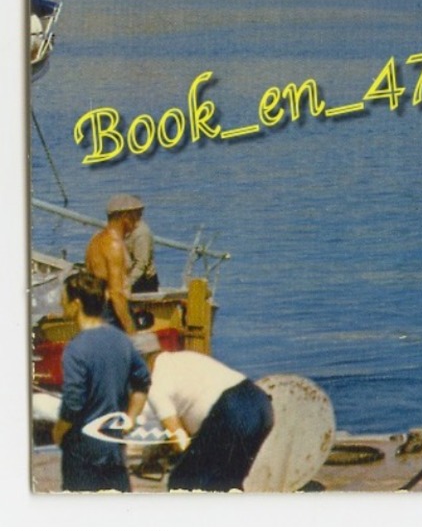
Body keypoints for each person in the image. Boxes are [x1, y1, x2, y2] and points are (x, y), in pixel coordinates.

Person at [53, 272, 150, 492]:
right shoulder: (121, 340)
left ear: (76, 304)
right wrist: (130, 419)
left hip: (82, 449)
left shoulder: (76, 349)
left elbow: (73, 402)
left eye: (64, 298)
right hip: (113, 445)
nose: (61, 303)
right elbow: (142, 382)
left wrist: (58, 431)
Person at [138, 340, 275, 492]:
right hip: (261, 405)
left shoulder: (155, 383)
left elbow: (179, 438)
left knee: (183, 482)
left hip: (232, 411)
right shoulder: (182, 358)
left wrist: (181, 458)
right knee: (228, 482)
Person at [85, 194, 144, 333]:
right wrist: (131, 331)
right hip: (111, 311)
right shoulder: (114, 245)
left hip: (96, 308)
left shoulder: (96, 240)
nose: (138, 223)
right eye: (138, 216)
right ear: (126, 217)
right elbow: (116, 293)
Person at [127, 206, 158, 294]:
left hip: (143, 282)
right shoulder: (127, 230)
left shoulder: (141, 233)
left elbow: (141, 265)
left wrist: (126, 284)